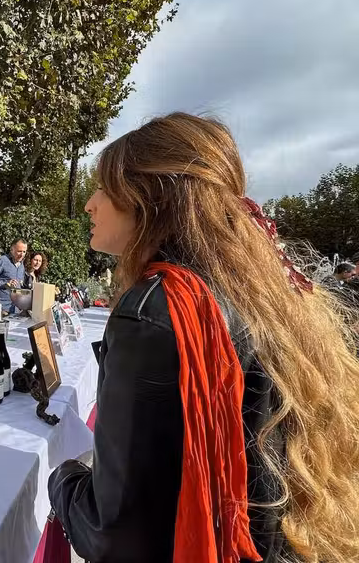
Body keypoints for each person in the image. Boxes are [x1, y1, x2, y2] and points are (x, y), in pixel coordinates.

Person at [48, 113, 359, 563]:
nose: (89, 204)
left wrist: (63, 478)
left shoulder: (155, 309)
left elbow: (115, 533)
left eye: (104, 187)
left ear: (146, 200)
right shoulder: (263, 293)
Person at [0, 238, 27, 309]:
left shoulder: (22, 265)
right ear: (12, 250)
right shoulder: (2, 261)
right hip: (0, 308)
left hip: (15, 309)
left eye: (24, 252)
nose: (22, 255)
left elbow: (19, 285)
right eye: (19, 251)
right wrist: (5, 284)